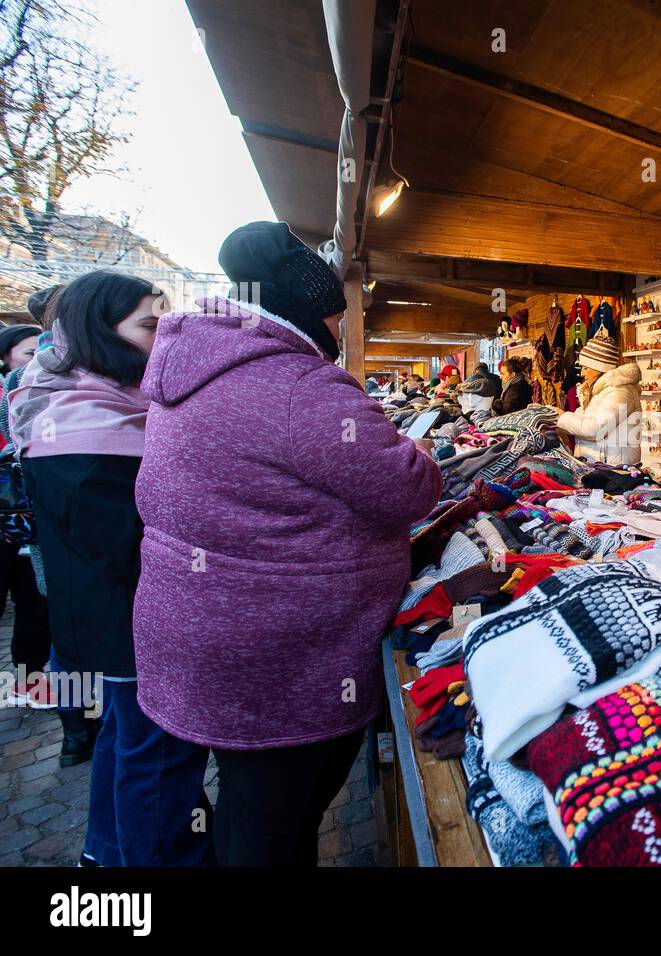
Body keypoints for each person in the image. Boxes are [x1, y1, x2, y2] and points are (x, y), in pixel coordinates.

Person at [132, 221, 443, 867]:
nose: (340, 334)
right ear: (309, 314)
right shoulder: (297, 386)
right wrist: (418, 449)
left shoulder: (200, 365)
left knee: (258, 811)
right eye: (337, 318)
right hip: (275, 661)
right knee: (272, 823)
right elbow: (407, 491)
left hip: (212, 634)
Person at [7, 270, 214, 866]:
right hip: (131, 621)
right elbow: (130, 539)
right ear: (103, 331)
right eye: (150, 326)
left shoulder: (84, 400)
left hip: (110, 619)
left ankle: (103, 852)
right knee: (160, 754)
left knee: (126, 739)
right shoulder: (87, 423)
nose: (164, 337)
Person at [0, 321, 53, 708]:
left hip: (27, 520)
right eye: (28, 353)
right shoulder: (13, 396)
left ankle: (28, 685)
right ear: (7, 359)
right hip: (9, 517)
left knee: (34, 604)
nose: (37, 359)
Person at [555, 329, 642, 464]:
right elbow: (581, 421)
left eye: (586, 368)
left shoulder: (621, 392)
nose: (582, 374)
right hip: (599, 468)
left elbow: (595, 429)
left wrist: (561, 417)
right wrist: (550, 416)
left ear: (600, 368)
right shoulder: (597, 391)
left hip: (613, 472)